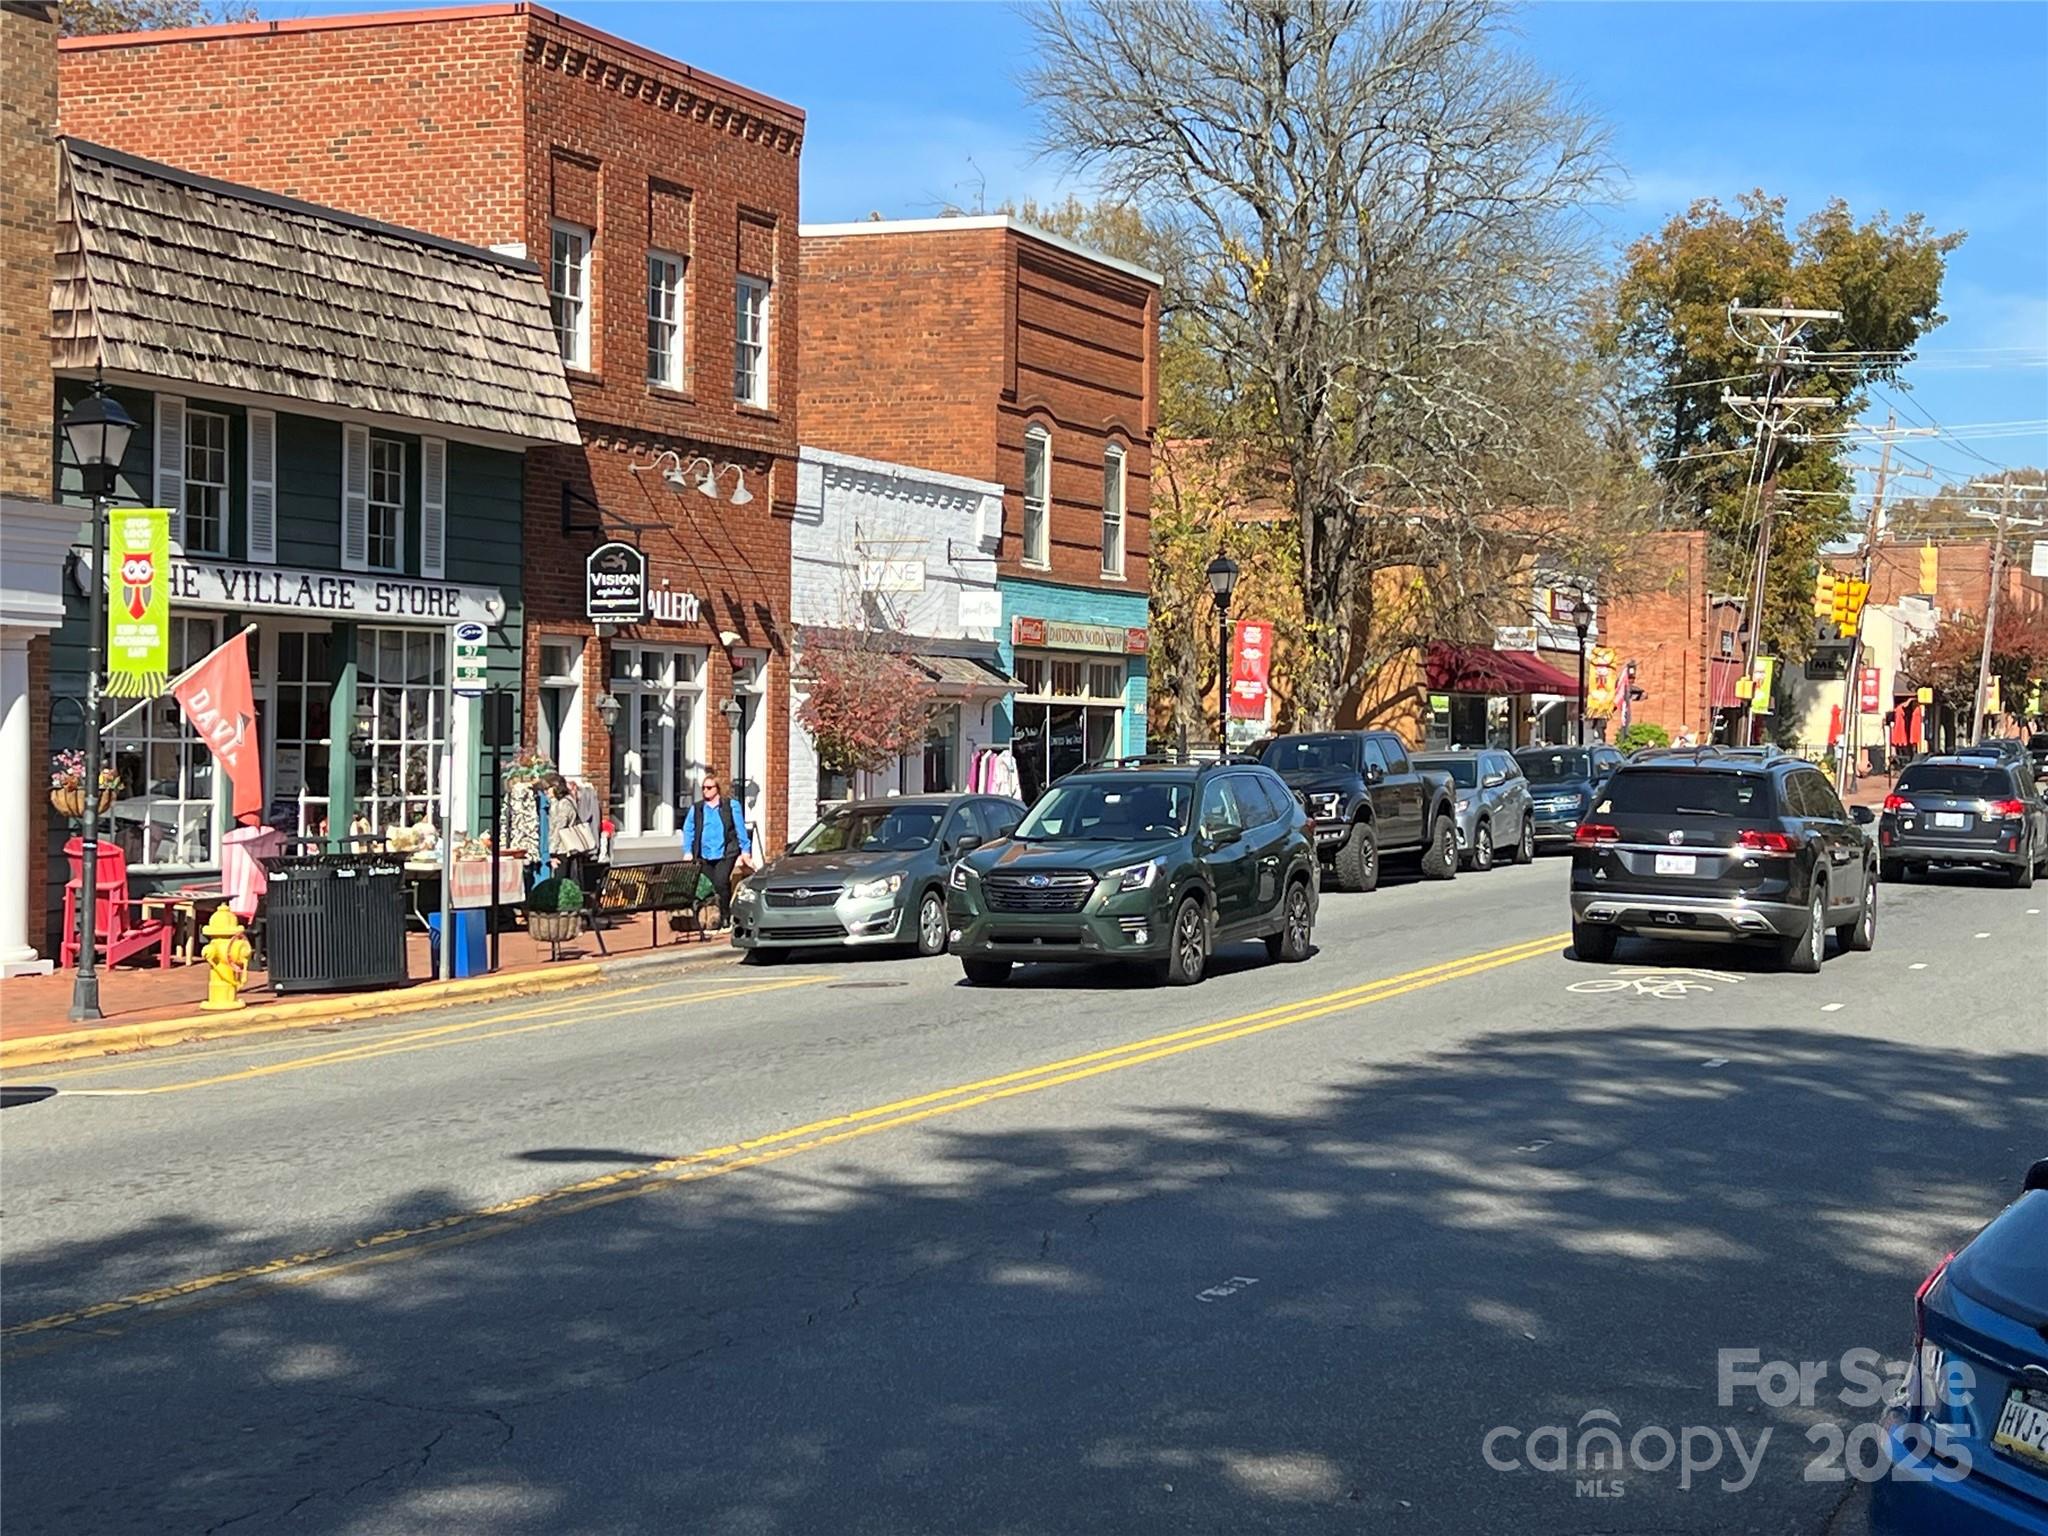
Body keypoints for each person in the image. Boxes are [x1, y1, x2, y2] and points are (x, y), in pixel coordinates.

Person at [679, 774, 752, 929]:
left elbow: (740, 828)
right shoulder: (697, 809)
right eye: (703, 788)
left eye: (709, 788)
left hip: (725, 853)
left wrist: (745, 850)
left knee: (721, 882)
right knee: (710, 887)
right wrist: (688, 851)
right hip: (704, 854)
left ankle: (727, 915)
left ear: (717, 789)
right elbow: (688, 829)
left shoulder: (730, 806)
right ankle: (713, 917)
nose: (705, 791)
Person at [544, 773, 593, 885]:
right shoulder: (563, 801)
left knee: (560, 881)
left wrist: (552, 851)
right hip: (565, 848)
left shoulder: (563, 804)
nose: (546, 792)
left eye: (548, 788)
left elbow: (558, 828)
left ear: (556, 787)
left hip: (563, 849)